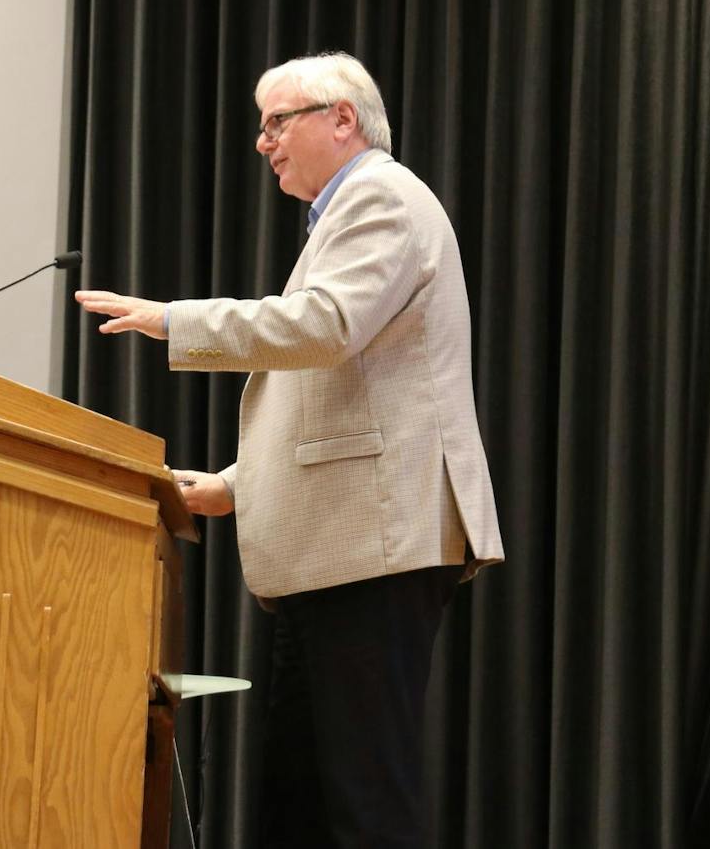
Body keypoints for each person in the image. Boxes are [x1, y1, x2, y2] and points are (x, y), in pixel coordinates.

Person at [74, 51, 503, 848]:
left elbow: (321, 328)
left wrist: (175, 319)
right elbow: (340, 395)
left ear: (342, 119)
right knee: (302, 807)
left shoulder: (379, 196)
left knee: (363, 807)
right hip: (340, 553)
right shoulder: (348, 212)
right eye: (261, 125)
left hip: (371, 550)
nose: (263, 142)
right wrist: (232, 486)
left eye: (278, 121)